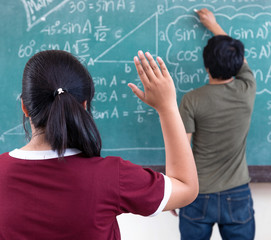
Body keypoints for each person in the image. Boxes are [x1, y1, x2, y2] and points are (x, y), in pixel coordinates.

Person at [0, 50, 198, 239]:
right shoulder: (111, 175)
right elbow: (186, 188)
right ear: (85, 105)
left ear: (25, 107)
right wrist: (167, 108)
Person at [177, 9, 256, 240]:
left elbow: (182, 149)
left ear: (206, 66)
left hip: (197, 193)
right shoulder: (247, 89)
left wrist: (174, 188)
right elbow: (241, 61)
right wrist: (214, 25)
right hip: (237, 192)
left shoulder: (191, 99)